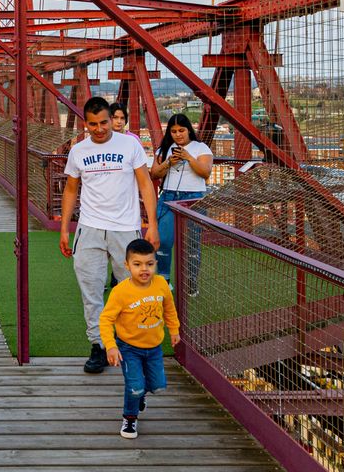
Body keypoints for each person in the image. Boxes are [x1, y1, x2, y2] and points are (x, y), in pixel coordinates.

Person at [60, 96, 159, 374]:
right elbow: (70, 189)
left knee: (133, 289)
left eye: (104, 122)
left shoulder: (130, 145)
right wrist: (67, 228)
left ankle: (133, 344)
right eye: (93, 124)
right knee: (90, 290)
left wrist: (151, 224)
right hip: (89, 228)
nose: (100, 129)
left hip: (125, 228)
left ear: (111, 119)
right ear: (86, 123)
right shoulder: (78, 151)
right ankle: (99, 346)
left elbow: (144, 183)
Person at [99, 238, 180, 439]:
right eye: (137, 264)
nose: (144, 269)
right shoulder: (120, 292)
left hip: (154, 348)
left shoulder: (161, 284)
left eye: (149, 264)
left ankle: (142, 393)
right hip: (129, 349)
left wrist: (174, 330)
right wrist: (110, 346)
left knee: (159, 386)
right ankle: (130, 419)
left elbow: (169, 309)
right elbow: (105, 319)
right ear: (127, 266)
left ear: (155, 264)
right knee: (134, 387)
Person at [149, 113, 213, 289]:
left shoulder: (201, 148)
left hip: (194, 198)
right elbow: (154, 174)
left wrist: (188, 157)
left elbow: (205, 172)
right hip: (169, 196)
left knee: (192, 243)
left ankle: (191, 282)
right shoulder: (164, 149)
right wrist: (169, 162)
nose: (178, 134)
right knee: (164, 240)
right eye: (174, 131)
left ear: (189, 130)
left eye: (181, 130)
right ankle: (164, 280)